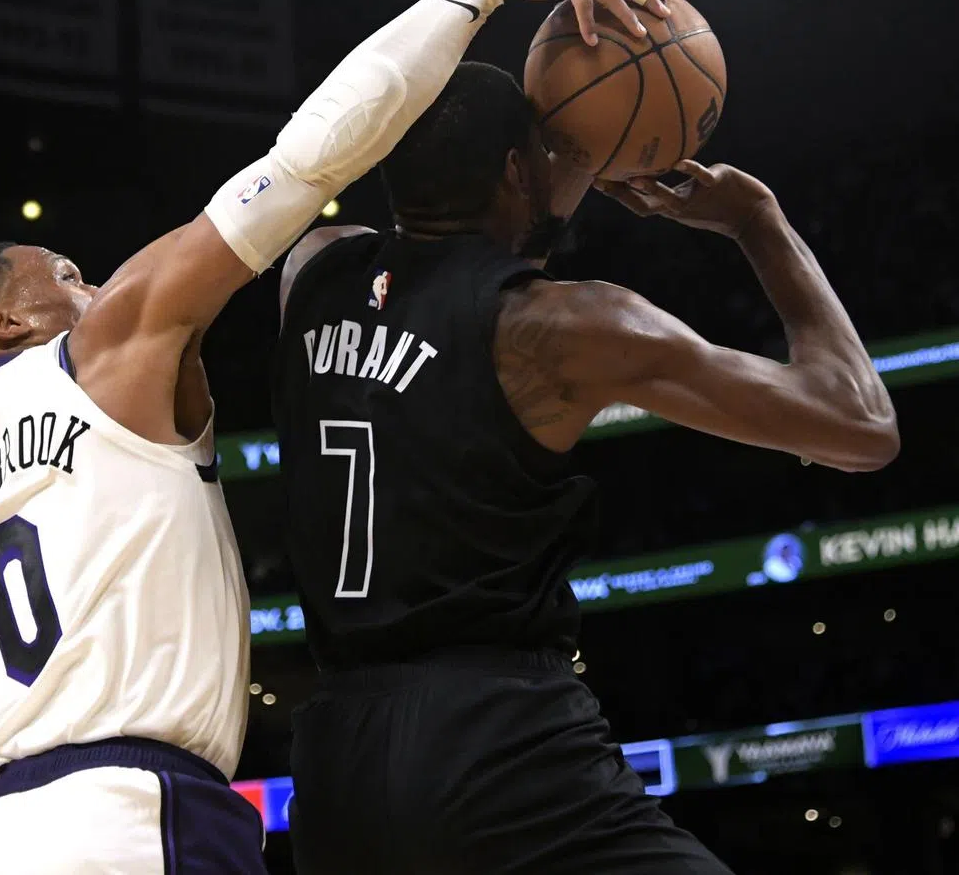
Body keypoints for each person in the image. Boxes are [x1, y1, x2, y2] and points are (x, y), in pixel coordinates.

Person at [0, 0, 663, 875]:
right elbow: (308, 160)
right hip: (138, 819)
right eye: (67, 274)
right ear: (3, 320)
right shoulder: (106, 356)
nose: (96, 284)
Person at [273, 59, 900, 875]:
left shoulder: (311, 269)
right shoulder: (558, 327)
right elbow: (860, 424)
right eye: (549, 152)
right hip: (496, 744)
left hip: (333, 762)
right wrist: (757, 221)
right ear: (512, 170)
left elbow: (416, 251)